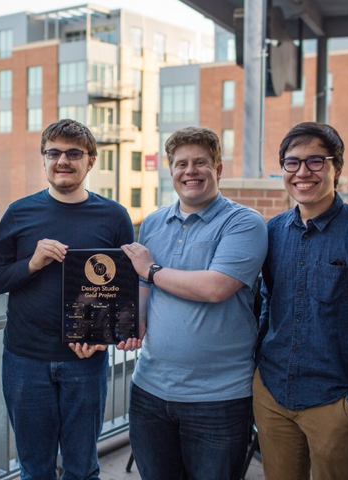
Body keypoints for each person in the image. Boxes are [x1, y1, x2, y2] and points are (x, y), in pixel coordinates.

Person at [255, 122, 348, 480]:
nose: (302, 172)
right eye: (292, 163)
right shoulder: (273, 231)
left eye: (316, 161)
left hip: (336, 400)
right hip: (272, 394)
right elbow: (267, 303)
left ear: (337, 168)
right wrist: (257, 371)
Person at [0, 119, 134, 479]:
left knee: (82, 468)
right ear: (44, 158)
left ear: (91, 160)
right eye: (53, 153)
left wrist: (104, 339)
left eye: (73, 153)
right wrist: (32, 264)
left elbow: (125, 294)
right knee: (35, 469)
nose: (62, 161)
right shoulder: (20, 212)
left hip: (85, 362)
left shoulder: (114, 216)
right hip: (26, 361)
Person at [119, 126, 268, 480]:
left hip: (218, 398)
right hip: (150, 390)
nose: (190, 171)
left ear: (218, 169)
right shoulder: (154, 222)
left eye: (200, 162)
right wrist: (133, 324)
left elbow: (216, 287)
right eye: (181, 164)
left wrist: (152, 269)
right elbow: (143, 286)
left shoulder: (243, 222)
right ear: (171, 171)